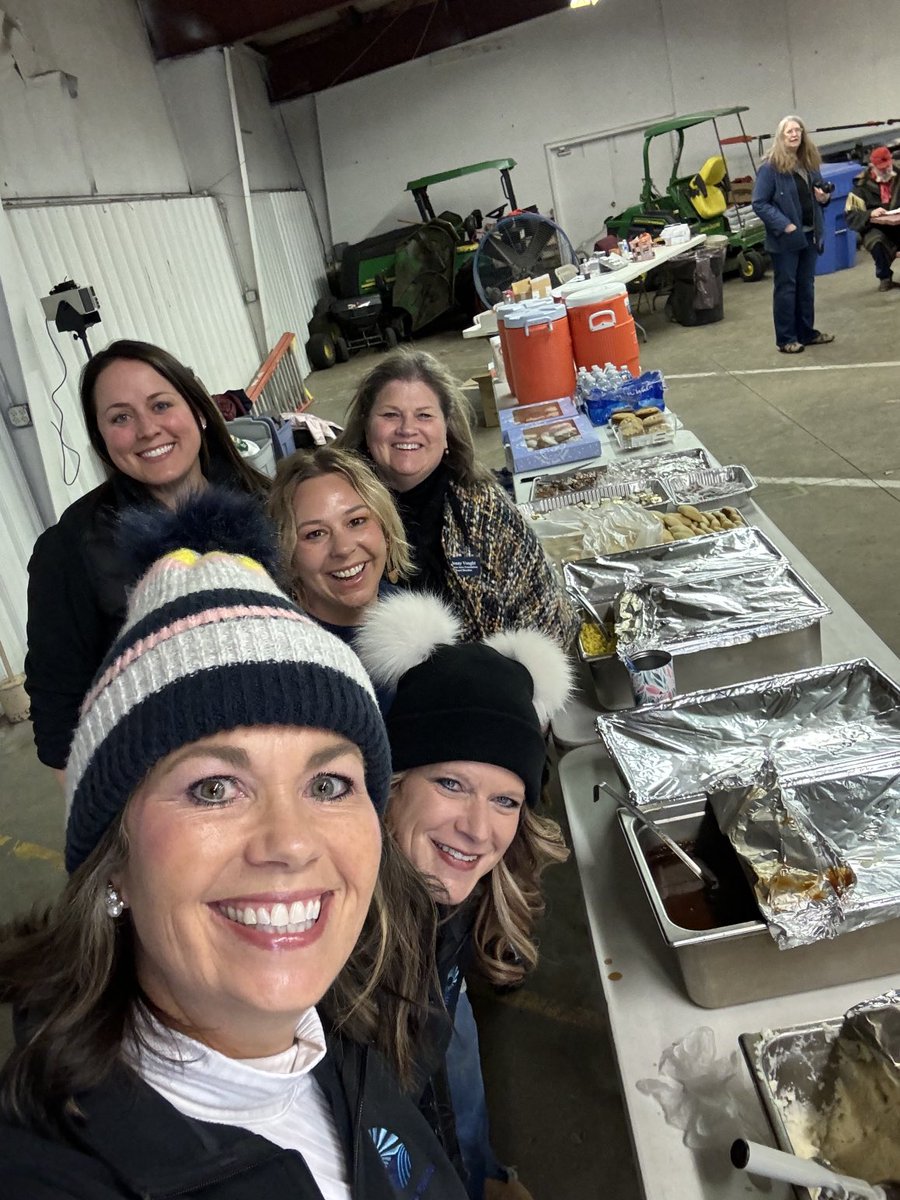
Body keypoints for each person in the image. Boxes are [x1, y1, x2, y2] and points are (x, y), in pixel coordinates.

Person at [0, 490, 468, 1200]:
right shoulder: (46, 1173)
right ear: (114, 858)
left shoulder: (355, 1024)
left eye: (329, 785)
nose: (290, 844)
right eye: (214, 788)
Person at [356, 591, 573, 1200]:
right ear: (393, 784)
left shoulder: (459, 896)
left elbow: (451, 1088)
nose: (478, 829)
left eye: (504, 799)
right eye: (451, 784)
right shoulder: (342, 952)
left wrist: (479, 1177)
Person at [24, 339, 269, 777]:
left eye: (160, 405)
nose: (147, 429)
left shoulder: (269, 502)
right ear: (101, 439)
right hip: (165, 777)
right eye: (120, 417)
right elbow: (58, 718)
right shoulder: (70, 549)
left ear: (198, 410)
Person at [336, 349, 577, 647]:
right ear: (366, 423)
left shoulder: (483, 506)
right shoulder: (336, 506)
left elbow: (548, 621)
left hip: (489, 673)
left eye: (424, 415)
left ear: (446, 426)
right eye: (390, 415)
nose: (407, 429)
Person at [268, 446, 412, 643]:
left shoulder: (419, 619)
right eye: (315, 534)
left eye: (356, 521)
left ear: (385, 531)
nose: (343, 549)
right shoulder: (283, 648)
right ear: (287, 555)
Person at [752, 115, 835, 354]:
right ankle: (786, 339)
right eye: (789, 131)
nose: (794, 134)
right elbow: (759, 203)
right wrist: (784, 224)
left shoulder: (808, 162)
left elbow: (819, 192)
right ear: (780, 136)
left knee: (806, 287)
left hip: (810, 234)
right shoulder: (770, 168)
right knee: (787, 288)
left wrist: (824, 198)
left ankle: (806, 333)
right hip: (785, 239)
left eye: (798, 130)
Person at [845, 145, 900, 291]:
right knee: (876, 241)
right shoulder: (861, 186)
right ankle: (885, 278)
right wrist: (870, 214)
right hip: (876, 228)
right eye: (881, 169)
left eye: (888, 167)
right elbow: (851, 215)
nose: (886, 171)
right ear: (872, 166)